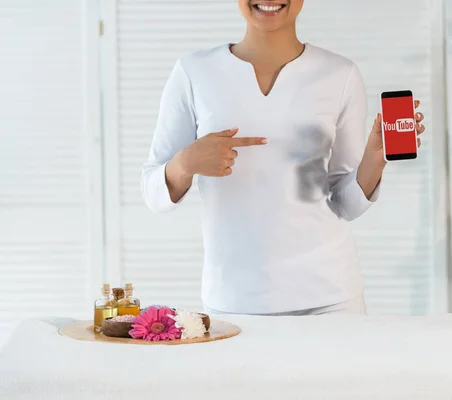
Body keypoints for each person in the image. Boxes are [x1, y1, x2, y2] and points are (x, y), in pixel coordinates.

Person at [141, 0, 426, 316]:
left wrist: (375, 159)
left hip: (329, 298)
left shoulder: (340, 74)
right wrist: (185, 162)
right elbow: (153, 194)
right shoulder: (193, 71)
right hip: (234, 301)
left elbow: (345, 204)